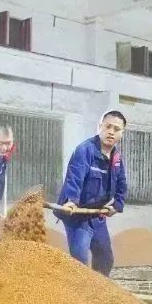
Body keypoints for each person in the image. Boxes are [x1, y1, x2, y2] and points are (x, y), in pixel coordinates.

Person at [55, 111, 129, 276]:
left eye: (116, 129)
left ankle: (98, 289)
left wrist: (117, 205)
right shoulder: (85, 150)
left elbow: (122, 183)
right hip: (77, 214)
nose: (111, 132)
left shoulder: (116, 157)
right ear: (100, 127)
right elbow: (74, 177)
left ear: (122, 133)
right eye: (108, 126)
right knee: (80, 261)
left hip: (96, 215)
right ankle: (77, 289)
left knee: (105, 259)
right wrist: (71, 200)